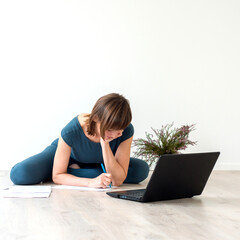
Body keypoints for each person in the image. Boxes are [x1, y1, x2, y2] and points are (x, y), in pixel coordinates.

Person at [10, 93, 149, 188]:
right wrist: (90, 183)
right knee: (20, 174)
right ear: (95, 119)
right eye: (111, 129)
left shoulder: (124, 131)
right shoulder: (71, 130)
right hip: (69, 156)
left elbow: (117, 181)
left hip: (103, 160)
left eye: (121, 129)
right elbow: (57, 176)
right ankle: (66, 171)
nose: (117, 134)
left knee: (141, 170)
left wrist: (104, 143)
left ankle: (73, 174)